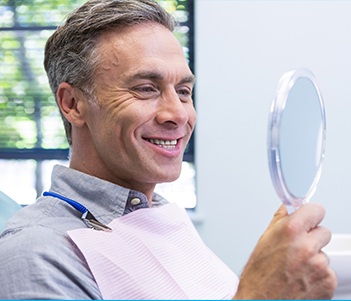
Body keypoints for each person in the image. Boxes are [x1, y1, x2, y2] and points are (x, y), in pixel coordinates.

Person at [0, 0, 337, 299]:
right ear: (72, 103)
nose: (177, 114)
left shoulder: (161, 218)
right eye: (146, 89)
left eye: (184, 91)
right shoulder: (35, 252)